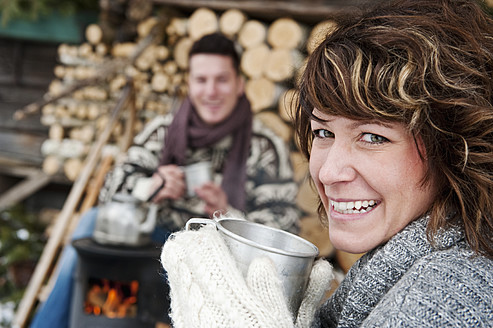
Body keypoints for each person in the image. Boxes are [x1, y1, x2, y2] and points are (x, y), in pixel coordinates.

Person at [160, 0, 493, 327]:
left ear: (453, 148)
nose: (328, 172)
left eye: (373, 137)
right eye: (322, 131)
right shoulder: (162, 132)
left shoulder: (445, 297)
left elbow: (281, 220)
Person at [30, 32, 301, 327]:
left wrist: (228, 216)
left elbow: (284, 226)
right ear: (189, 84)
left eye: (221, 80)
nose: (211, 91)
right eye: (201, 80)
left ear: (239, 85)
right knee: (93, 225)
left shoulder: (264, 147)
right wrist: (152, 187)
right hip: (149, 260)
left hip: (217, 271)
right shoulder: (162, 132)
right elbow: (110, 191)